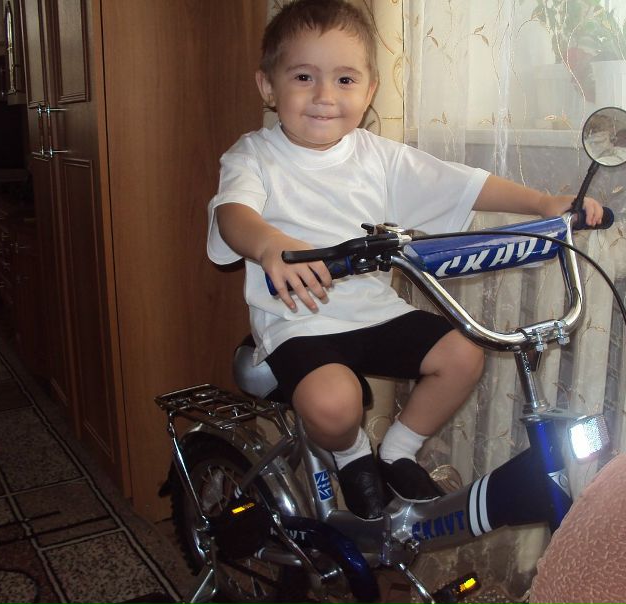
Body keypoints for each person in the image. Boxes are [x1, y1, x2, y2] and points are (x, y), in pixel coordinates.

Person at [207, 0, 603, 520]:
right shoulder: (253, 155)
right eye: (304, 77)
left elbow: (461, 184)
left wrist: (543, 204)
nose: (325, 95)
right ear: (267, 86)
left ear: (369, 90)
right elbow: (233, 214)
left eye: (345, 80)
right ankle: (352, 455)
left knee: (464, 354)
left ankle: (397, 451)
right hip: (298, 320)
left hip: (374, 310)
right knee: (335, 405)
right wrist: (268, 244)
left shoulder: (378, 155)